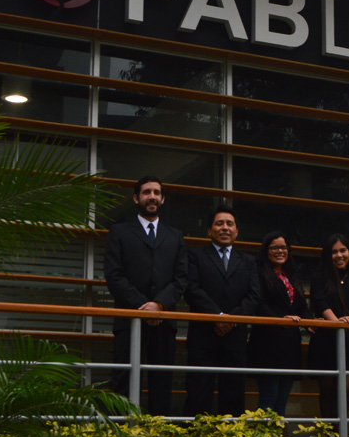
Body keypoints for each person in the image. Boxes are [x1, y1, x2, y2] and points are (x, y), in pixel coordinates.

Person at [103, 175, 187, 415]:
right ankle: (122, 429)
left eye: (156, 193)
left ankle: (158, 433)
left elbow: (181, 279)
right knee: (124, 379)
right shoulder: (119, 232)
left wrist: (159, 305)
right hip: (130, 319)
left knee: (162, 382)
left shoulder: (175, 236)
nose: (152, 197)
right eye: (147, 192)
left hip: (164, 321)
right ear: (136, 198)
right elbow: (114, 276)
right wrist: (144, 306)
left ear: (163, 199)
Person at [183, 205, 261, 417]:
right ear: (209, 230)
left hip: (235, 337)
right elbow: (192, 290)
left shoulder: (248, 261)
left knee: (233, 394)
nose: (225, 228)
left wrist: (231, 320)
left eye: (229, 224)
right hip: (203, 336)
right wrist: (217, 317)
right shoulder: (195, 256)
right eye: (219, 224)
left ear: (237, 231)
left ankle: (231, 435)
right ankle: (197, 435)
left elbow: (254, 295)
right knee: (198, 393)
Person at [309, 233, 349, 422]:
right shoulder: (319, 278)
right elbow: (320, 303)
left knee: (346, 390)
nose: (339, 255)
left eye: (343, 250)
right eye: (334, 252)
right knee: (327, 391)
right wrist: (338, 322)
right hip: (327, 341)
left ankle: (341, 436)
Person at [247, 231, 311, 415]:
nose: (280, 251)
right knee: (268, 399)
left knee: (282, 400)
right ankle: (263, 434)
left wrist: (311, 321)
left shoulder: (291, 275)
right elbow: (258, 303)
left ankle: (278, 433)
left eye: (283, 247)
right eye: (274, 247)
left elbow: (301, 307)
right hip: (268, 344)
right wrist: (278, 320)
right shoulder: (259, 273)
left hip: (289, 345)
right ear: (266, 251)